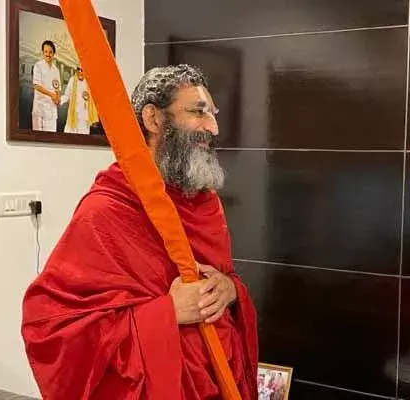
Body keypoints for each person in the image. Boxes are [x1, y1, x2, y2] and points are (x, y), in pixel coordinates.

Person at [21, 64, 258, 399]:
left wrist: (229, 289)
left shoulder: (206, 204)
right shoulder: (106, 210)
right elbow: (50, 328)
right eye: (198, 112)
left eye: (212, 114)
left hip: (220, 379)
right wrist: (168, 312)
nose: (213, 127)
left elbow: (223, 278)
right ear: (153, 119)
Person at [31, 40, 61, 132]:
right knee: (38, 138)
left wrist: (57, 98)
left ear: (54, 54)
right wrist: (51, 95)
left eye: (50, 52)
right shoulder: (38, 66)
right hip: (40, 110)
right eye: (46, 52)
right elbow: (36, 86)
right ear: (43, 52)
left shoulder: (56, 70)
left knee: (52, 138)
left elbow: (57, 88)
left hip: (51, 111)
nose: (48, 54)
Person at [60, 66, 99, 134]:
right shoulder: (72, 80)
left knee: (83, 138)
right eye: (78, 69)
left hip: (85, 118)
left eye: (82, 70)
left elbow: (93, 102)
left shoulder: (90, 82)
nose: (80, 72)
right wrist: (60, 100)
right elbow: (67, 95)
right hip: (73, 116)